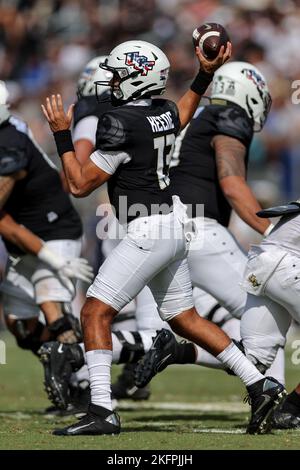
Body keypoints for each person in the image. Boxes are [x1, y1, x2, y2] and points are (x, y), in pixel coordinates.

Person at [42, 39, 285, 437]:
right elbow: (184, 110)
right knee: (184, 319)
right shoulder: (162, 112)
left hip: (147, 229)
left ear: (138, 78)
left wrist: (61, 135)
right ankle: (260, 384)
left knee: (93, 312)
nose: (114, 81)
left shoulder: (119, 121)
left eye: (119, 74)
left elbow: (80, 183)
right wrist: (204, 73)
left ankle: (102, 409)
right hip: (175, 223)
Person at [0, 80, 93, 408]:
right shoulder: (8, 129)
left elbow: (4, 221)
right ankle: (61, 357)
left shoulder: (10, 144)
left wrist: (56, 261)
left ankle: (83, 384)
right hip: (27, 240)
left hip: (55, 230)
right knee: (21, 327)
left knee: (50, 303)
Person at [237, 200, 300, 429]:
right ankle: (293, 407)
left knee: (252, 358)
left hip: (263, 262)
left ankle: (177, 351)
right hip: (287, 266)